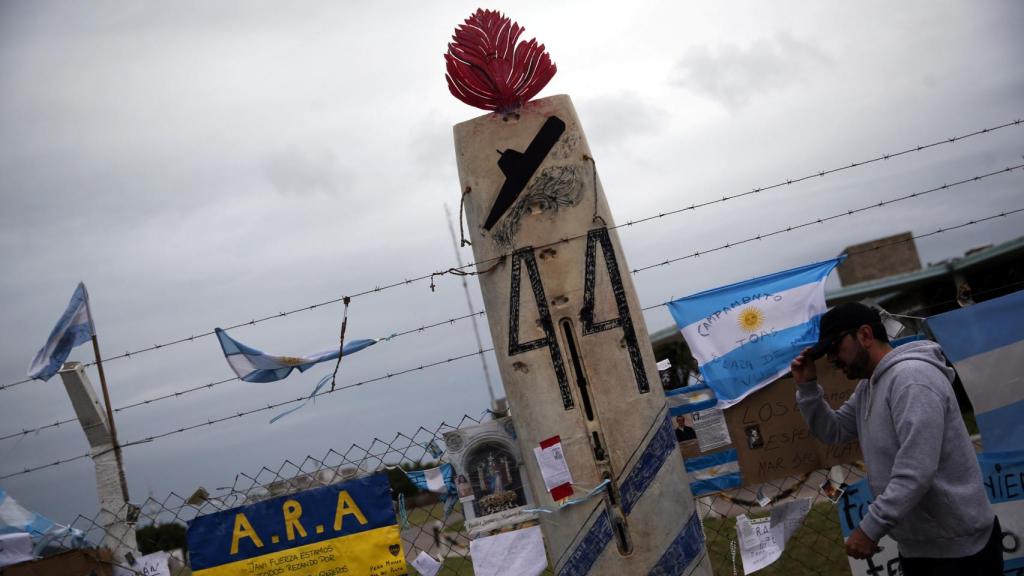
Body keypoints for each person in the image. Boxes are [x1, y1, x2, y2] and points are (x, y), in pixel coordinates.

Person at [790, 302, 1001, 574]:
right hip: (920, 547)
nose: (830, 359)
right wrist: (807, 387)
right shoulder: (869, 385)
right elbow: (835, 430)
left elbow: (917, 469)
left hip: (961, 550)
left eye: (835, 348)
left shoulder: (912, 379)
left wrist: (870, 529)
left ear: (865, 335)